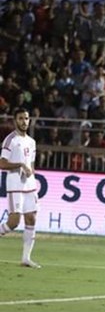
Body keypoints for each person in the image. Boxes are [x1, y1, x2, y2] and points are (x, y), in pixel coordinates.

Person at [0, 108, 40, 268]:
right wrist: (20, 165)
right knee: (14, 222)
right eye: (21, 119)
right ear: (14, 120)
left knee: (32, 218)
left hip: (29, 185)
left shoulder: (31, 142)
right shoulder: (10, 140)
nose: (24, 121)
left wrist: (31, 174)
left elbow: (31, 165)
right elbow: (2, 163)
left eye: (26, 118)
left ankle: (26, 258)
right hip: (15, 184)